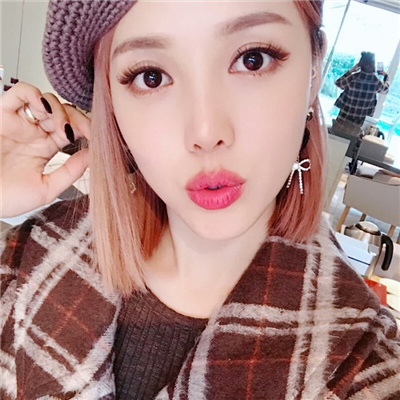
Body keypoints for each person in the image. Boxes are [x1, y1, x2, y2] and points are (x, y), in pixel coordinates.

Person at [1, 1, 399, 399]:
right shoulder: (28, 257)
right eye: (152, 77)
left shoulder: (365, 366)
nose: (206, 132)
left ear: (314, 71)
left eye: (253, 59)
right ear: (112, 105)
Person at [333, 51, 390, 128]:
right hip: (359, 122)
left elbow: (338, 83)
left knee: (336, 133)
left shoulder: (353, 77)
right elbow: (385, 90)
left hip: (343, 118)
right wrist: (386, 77)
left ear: (360, 63)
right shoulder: (375, 81)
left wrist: (351, 70)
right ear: (373, 64)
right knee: (353, 135)